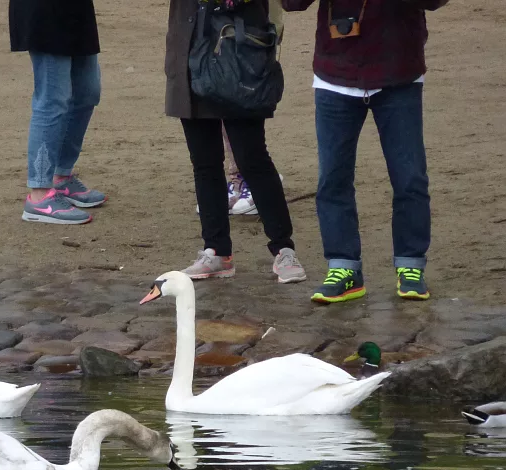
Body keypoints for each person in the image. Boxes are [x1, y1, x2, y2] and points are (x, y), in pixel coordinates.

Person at [281, 0, 448, 303]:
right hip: (335, 74)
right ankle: (343, 267)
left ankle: (411, 264)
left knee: (409, 177)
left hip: (399, 72)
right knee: (332, 179)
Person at [166, 0, 306, 284]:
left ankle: (283, 248)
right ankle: (216, 250)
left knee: (251, 158)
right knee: (204, 163)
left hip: (239, 51)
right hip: (191, 49)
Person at [10, 0, 107, 225]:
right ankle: (39, 194)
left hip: (75, 10)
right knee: (53, 99)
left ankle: (60, 176)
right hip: (43, 9)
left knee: (87, 92)